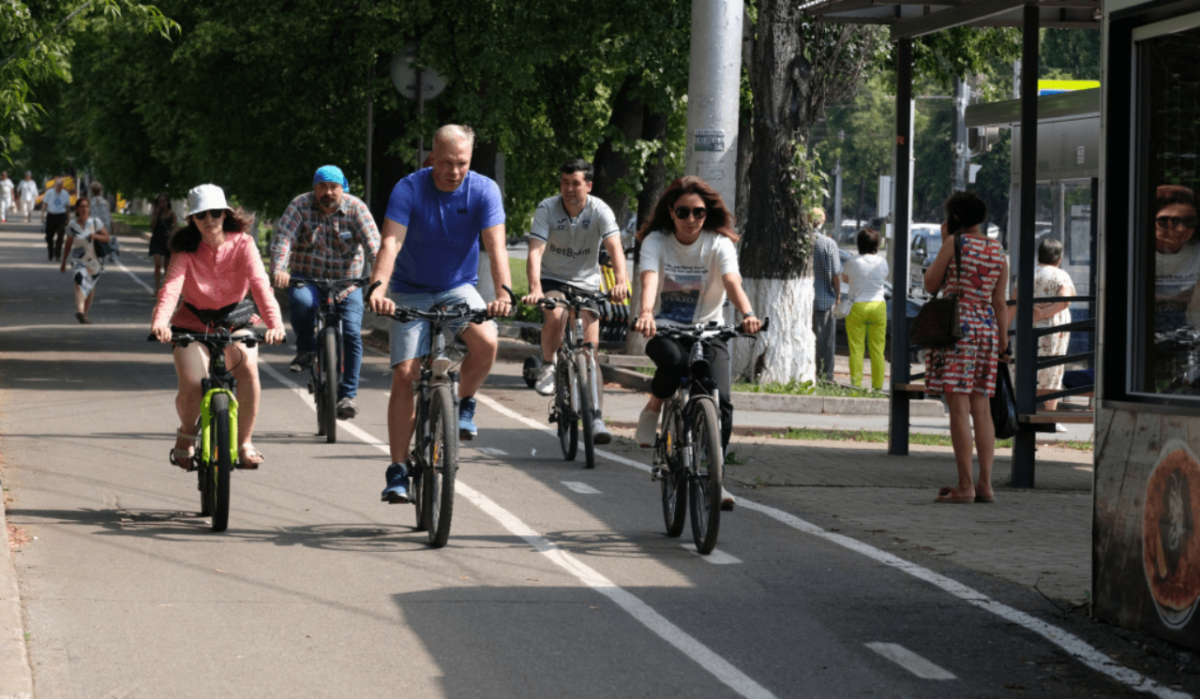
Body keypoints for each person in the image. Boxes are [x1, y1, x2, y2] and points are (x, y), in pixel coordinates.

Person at [366, 124, 513, 504]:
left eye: (461, 163)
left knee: (486, 342)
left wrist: (503, 293)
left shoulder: (483, 190)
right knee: (405, 373)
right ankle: (398, 469)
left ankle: (463, 402)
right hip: (408, 290)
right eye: (446, 162)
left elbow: (495, 247)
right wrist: (378, 287)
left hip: (457, 287)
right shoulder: (409, 188)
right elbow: (390, 241)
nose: (454, 171)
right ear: (431, 157)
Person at [631, 176, 763, 509]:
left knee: (723, 401)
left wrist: (747, 313)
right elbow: (649, 280)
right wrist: (646, 312)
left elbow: (732, 282)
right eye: (683, 211)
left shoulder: (718, 243)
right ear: (671, 212)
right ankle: (654, 408)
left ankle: (714, 477)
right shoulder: (656, 241)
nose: (691, 219)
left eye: (699, 213)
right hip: (663, 328)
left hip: (709, 331)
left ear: (708, 214)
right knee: (674, 364)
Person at [151, 184, 285, 469]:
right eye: (202, 215)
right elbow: (171, 289)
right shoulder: (184, 249)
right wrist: (160, 323)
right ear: (192, 219)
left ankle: (244, 442)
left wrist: (275, 323)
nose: (209, 220)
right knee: (192, 382)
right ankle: (187, 434)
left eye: (215, 213)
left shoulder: (244, 244)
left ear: (225, 215)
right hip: (193, 323)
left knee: (248, 368)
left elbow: (261, 285)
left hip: (235, 320)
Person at [524, 158, 630, 444]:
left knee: (590, 352)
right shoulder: (547, 208)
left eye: (575, 183)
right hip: (553, 279)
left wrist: (621, 282)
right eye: (564, 182)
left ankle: (595, 418)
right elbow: (535, 252)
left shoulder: (600, 210)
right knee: (556, 313)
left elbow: (615, 249)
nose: (569, 189)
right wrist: (535, 288)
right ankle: (548, 364)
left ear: (588, 185)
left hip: (587, 284)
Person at [270, 165, 381, 420]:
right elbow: (284, 239)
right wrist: (279, 268)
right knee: (300, 302)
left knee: (352, 333)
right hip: (307, 278)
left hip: (347, 282)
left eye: (333, 187)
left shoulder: (356, 208)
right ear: (314, 188)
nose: (328, 192)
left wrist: (378, 277)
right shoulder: (299, 206)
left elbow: (374, 246)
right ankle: (307, 349)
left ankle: (347, 395)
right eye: (322, 186)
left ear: (343, 189)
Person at [923, 191, 1009, 504]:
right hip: (987, 329)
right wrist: (1003, 342)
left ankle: (965, 486)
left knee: (958, 407)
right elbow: (999, 301)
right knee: (981, 408)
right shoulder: (997, 249)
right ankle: (985, 484)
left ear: (954, 219)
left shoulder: (955, 244)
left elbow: (931, 284)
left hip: (958, 328)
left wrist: (947, 239)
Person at [1007, 238, 1075, 424]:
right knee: (1052, 368)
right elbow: (1065, 300)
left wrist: (1004, 329)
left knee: (1024, 365)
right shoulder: (1061, 275)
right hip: (1054, 330)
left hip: (1028, 327)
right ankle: (1049, 416)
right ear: (1058, 258)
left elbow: (1013, 303)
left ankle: (1016, 414)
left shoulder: (1027, 274)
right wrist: (1044, 313)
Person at [843, 228, 889, 390]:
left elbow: (845, 279)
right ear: (876, 244)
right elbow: (884, 278)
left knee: (856, 349)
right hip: (878, 307)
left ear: (859, 244)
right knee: (877, 350)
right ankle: (878, 388)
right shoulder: (882, 262)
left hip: (857, 308)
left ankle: (856, 387)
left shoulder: (852, 261)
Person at [58, 196, 111, 324]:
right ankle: (80, 311)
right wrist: (64, 261)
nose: (84, 209)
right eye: (81, 206)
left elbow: (107, 238)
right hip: (78, 260)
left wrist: (96, 236)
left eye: (86, 206)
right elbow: (68, 243)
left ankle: (85, 314)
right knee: (79, 285)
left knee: (90, 288)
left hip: (94, 260)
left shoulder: (95, 222)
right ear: (76, 209)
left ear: (89, 208)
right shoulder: (72, 224)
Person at [810, 207, 843, 382]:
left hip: (803, 302)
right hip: (824, 301)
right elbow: (836, 275)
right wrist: (838, 296)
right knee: (825, 343)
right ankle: (825, 377)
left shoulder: (802, 241)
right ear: (822, 221)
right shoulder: (828, 243)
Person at [149, 194, 177, 293]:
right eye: (160, 202)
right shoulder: (156, 213)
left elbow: (175, 228)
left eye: (164, 201)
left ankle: (165, 289)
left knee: (166, 267)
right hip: (156, 240)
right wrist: (156, 215)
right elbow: (152, 226)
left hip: (167, 241)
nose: (162, 204)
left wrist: (173, 236)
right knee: (157, 264)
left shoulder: (172, 214)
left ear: (168, 202)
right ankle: (157, 288)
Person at [43, 178, 71, 261]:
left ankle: (57, 253)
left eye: (60, 185)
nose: (59, 187)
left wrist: (68, 217)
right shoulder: (49, 193)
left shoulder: (65, 194)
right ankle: (51, 251)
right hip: (51, 216)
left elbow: (67, 206)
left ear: (62, 186)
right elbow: (45, 203)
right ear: (54, 185)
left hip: (61, 216)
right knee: (49, 237)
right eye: (57, 185)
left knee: (60, 234)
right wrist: (42, 214)